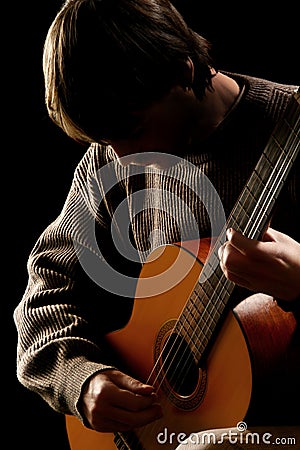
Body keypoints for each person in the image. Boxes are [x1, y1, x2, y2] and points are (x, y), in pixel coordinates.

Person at [14, 0, 299, 448]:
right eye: (107, 142)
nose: (123, 159)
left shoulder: (292, 128)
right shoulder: (112, 163)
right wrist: (82, 381)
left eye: (135, 130)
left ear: (184, 72)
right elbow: (44, 295)